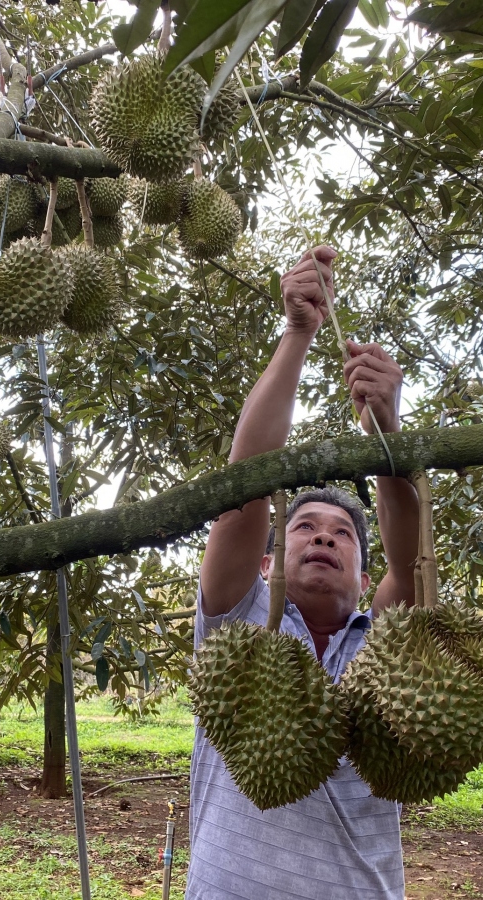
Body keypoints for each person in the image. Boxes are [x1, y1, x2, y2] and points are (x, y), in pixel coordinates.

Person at [186, 245, 421, 899]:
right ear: (268, 562)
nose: (323, 535)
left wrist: (388, 434)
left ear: (364, 576)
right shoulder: (237, 629)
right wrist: (298, 335)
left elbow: (411, 561)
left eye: (344, 534)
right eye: (304, 528)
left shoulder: (388, 651)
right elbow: (243, 496)